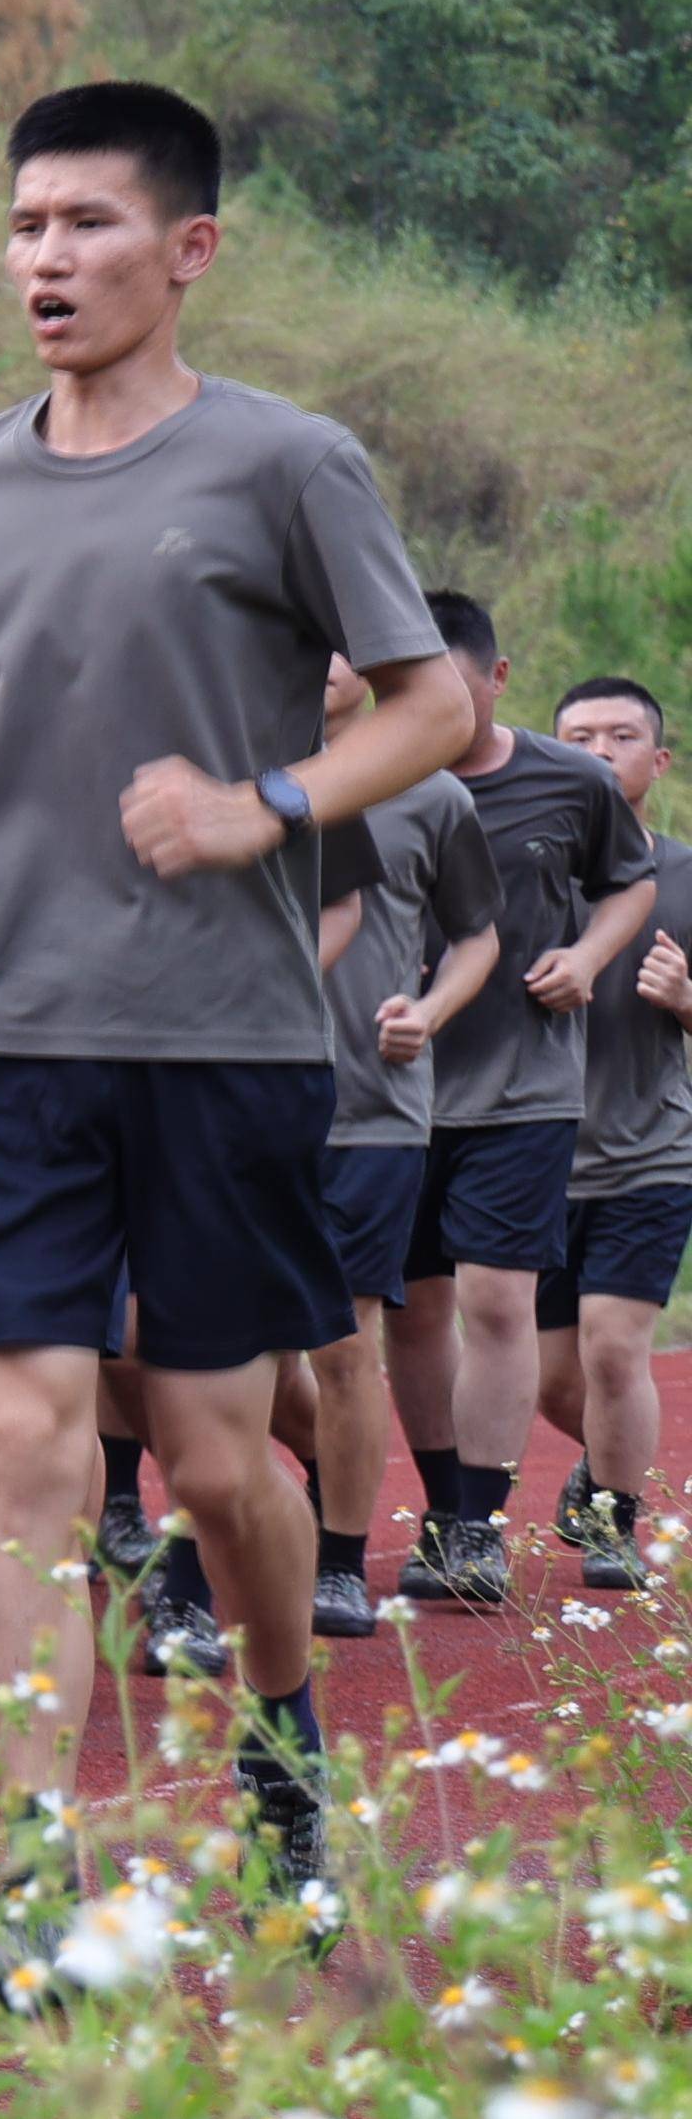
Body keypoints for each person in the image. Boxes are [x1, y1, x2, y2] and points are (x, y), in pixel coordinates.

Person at [0, 79, 475, 1991]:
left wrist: (260, 805)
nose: (46, 257)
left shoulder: (286, 463)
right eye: (25, 223)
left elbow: (431, 704)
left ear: (185, 248)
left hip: (218, 1038)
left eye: (88, 225)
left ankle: (283, 1773)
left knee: (216, 1462)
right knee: (26, 1441)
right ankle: (34, 1874)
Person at [387, 590, 655, 1611]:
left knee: (496, 1301)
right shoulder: (372, 778)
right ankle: (444, 1498)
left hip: (524, 1089)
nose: (429, 711)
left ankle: (474, 1526)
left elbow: (627, 882)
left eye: (450, 690)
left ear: (496, 681)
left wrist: (587, 956)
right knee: (411, 1312)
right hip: (394, 1095)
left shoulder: (569, 780)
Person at [292, 661, 492, 1641]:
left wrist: (431, 1008)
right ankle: (255, 1517)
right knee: (198, 1347)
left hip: (368, 1111)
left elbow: (477, 938)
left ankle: (337, 1561)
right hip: (230, 1105)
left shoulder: (435, 792)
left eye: (344, 645)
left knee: (341, 1346)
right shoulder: (237, 769)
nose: (327, 663)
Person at [543, 677, 692, 1587]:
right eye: (579, 735)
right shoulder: (517, 868)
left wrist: (686, 1001)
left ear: (657, 760)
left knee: (611, 1347)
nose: (599, 751)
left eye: (622, 735)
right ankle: (608, 1464)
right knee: (550, 1377)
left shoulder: (684, 874)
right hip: (532, 1154)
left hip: (650, 1151)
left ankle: (613, 1527)